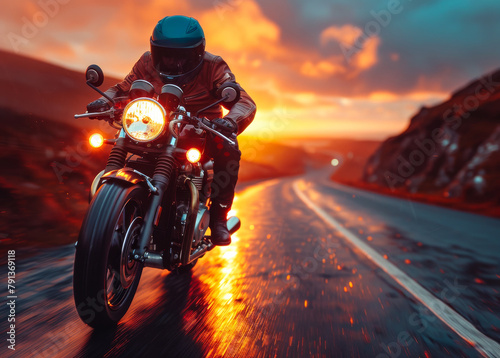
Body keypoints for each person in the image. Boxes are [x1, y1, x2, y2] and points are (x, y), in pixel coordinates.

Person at [87, 15, 256, 246]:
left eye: (182, 57)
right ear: (155, 50)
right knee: (122, 138)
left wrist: (230, 122)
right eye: (166, 54)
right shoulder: (146, 63)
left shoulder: (213, 66)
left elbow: (244, 101)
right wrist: (107, 101)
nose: (173, 62)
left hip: (200, 133)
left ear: (197, 53)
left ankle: (218, 218)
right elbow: (123, 87)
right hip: (155, 129)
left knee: (228, 147)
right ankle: (105, 216)